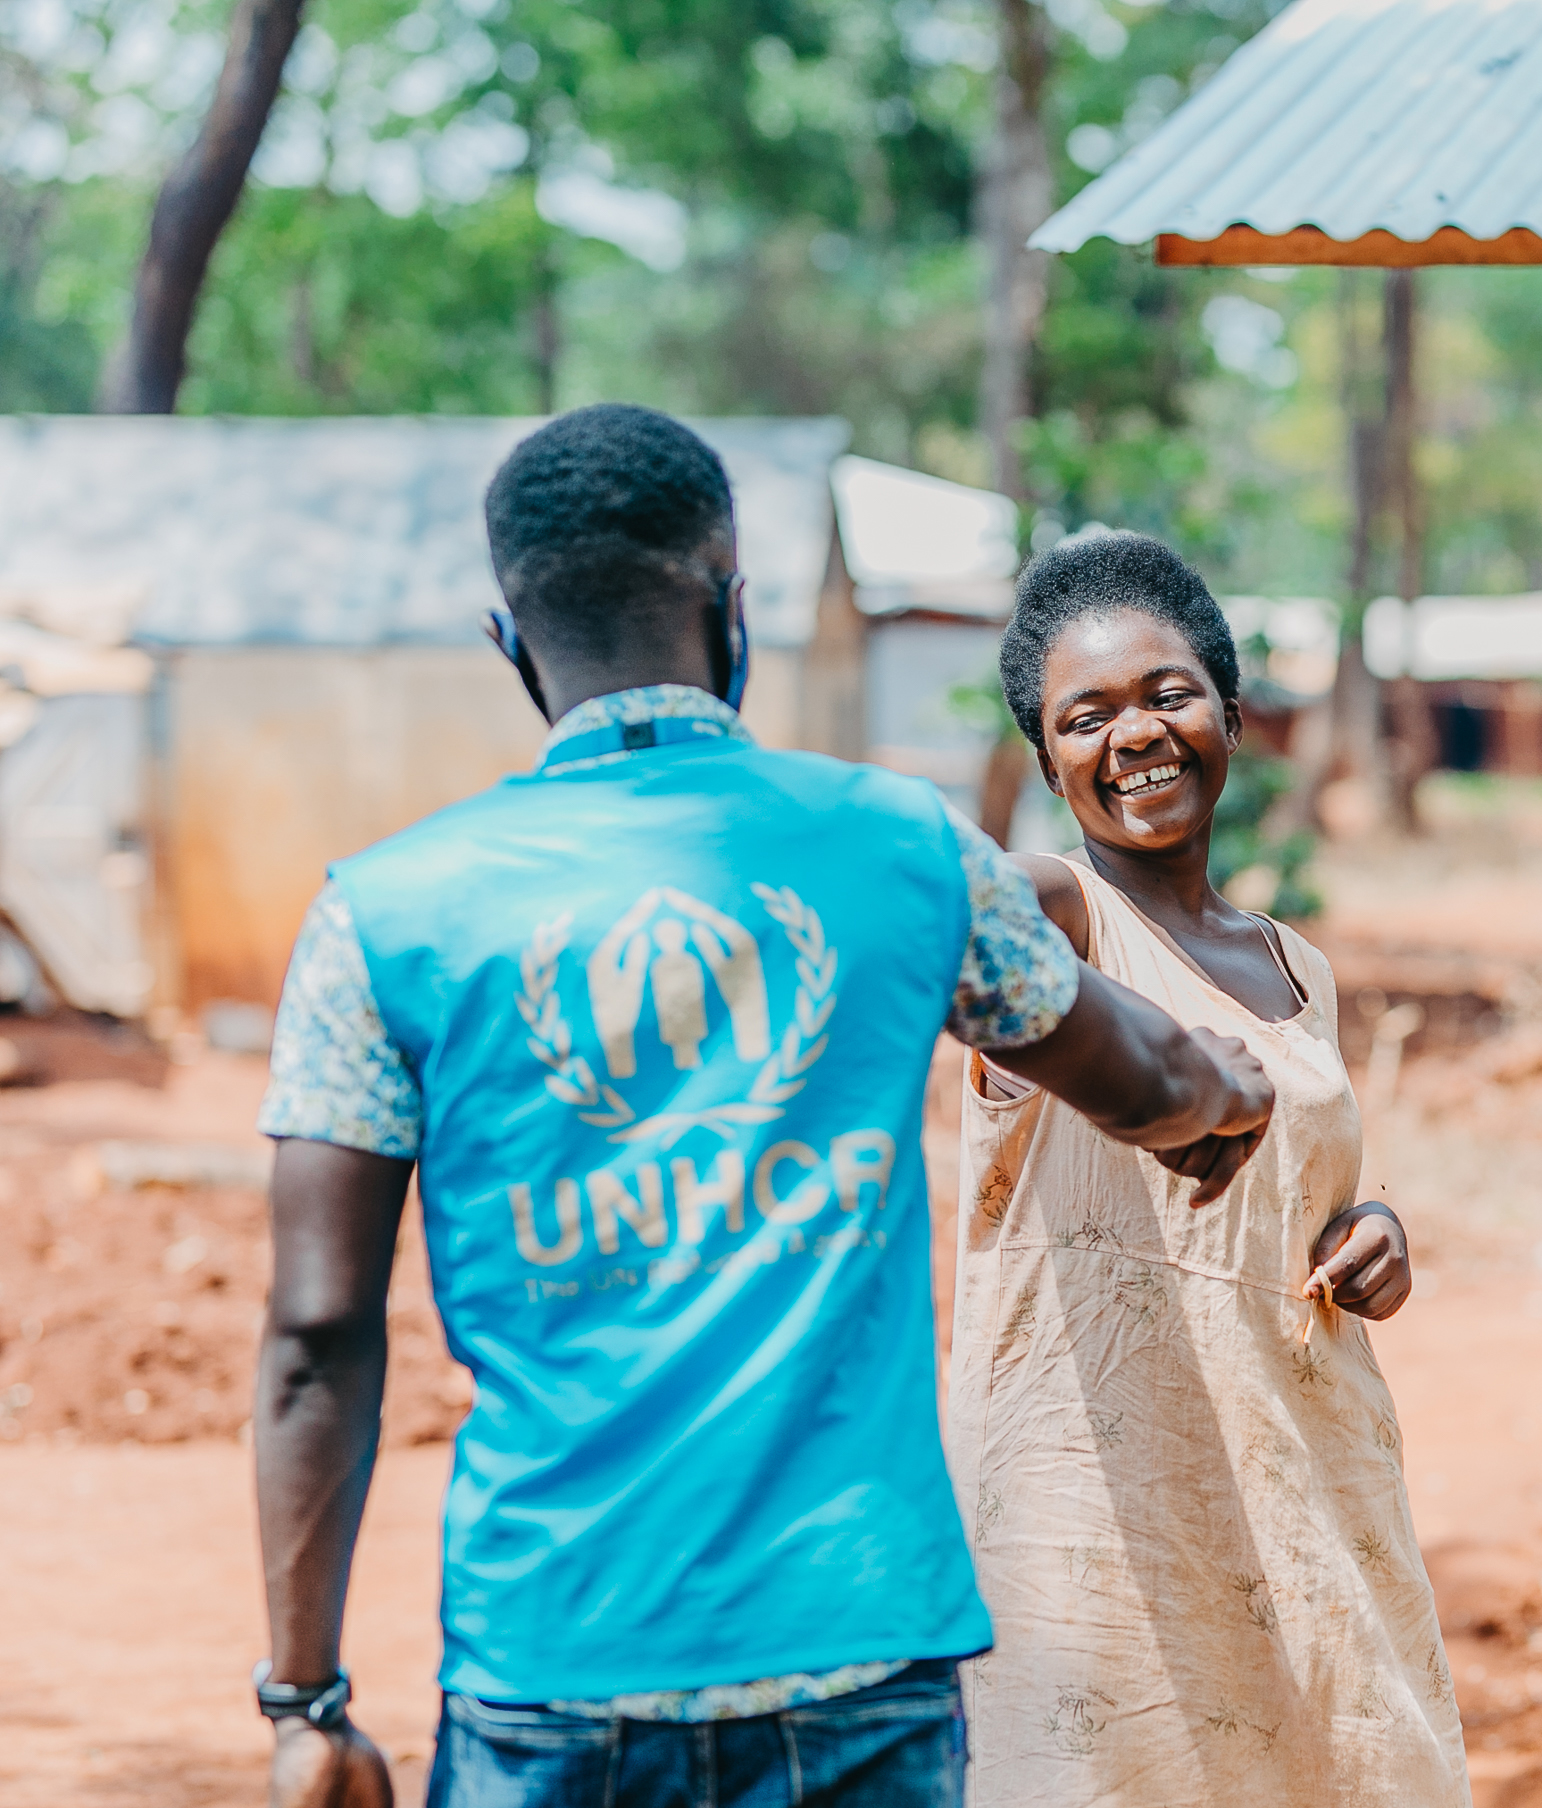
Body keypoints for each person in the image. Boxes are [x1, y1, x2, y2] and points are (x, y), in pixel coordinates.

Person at [250, 406, 1274, 1808]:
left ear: (511, 644)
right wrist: (1232, 1102)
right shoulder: (900, 846)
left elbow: (316, 1335)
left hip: (554, 1666)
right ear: (734, 611)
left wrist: (305, 1704)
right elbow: (1147, 1078)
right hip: (858, 1660)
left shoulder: (379, 916)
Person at [947, 531, 1471, 1807]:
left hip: (1303, 1481)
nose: (1134, 733)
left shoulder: (1298, 966)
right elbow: (964, 915)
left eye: (1167, 694)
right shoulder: (1056, 918)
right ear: (1047, 760)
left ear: (1231, 715)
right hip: (1093, 1507)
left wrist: (1379, 1226)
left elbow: (1319, 1181)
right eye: (1086, 715)